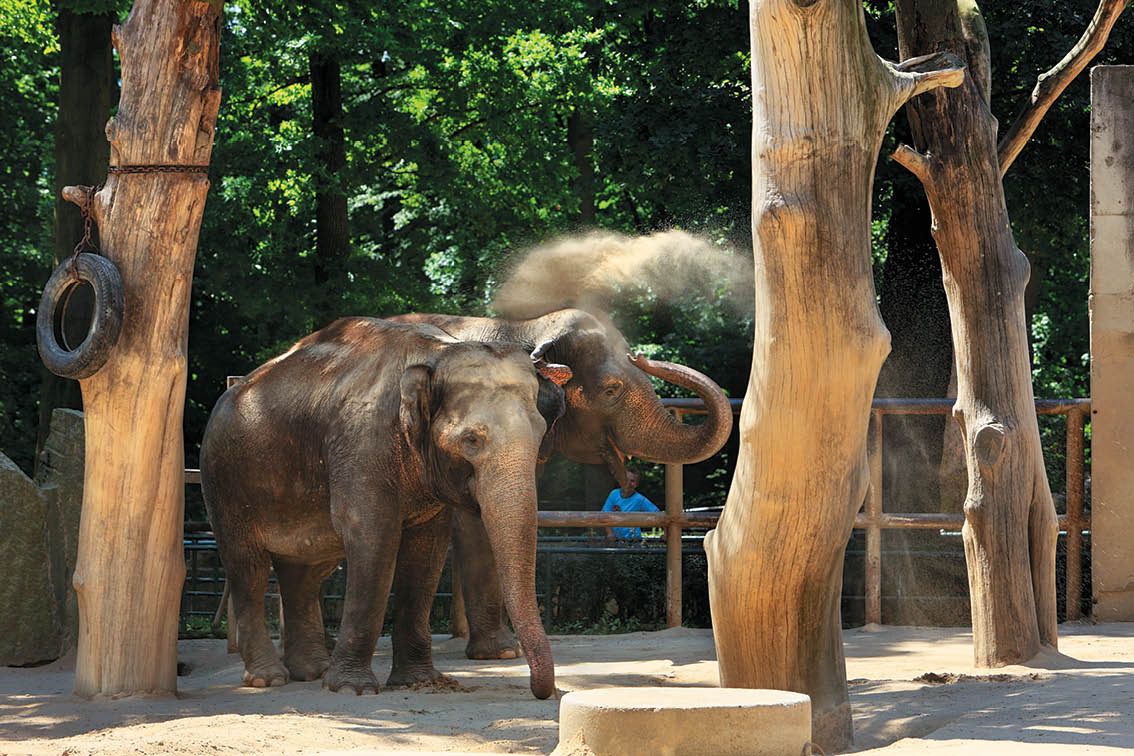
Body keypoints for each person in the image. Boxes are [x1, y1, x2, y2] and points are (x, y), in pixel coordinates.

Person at [602, 470, 659, 539]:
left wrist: (666, 534)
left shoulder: (640, 499)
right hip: (615, 538)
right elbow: (604, 514)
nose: (628, 483)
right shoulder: (614, 494)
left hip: (634, 539)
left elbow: (658, 513)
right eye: (625, 479)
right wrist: (610, 532)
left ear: (636, 484)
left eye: (632, 481)